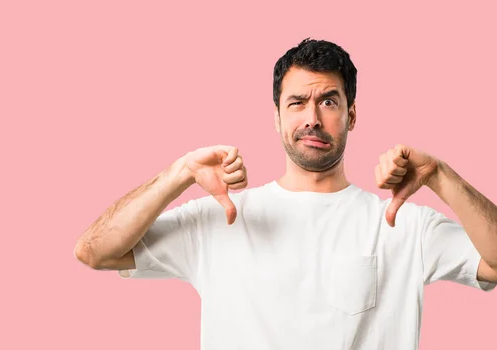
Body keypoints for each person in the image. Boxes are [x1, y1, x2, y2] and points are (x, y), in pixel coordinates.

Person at [74, 38, 497, 349]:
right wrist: (178, 173)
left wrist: (439, 175)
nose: (312, 118)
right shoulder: (219, 218)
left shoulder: (402, 224)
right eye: (297, 103)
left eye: (329, 102)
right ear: (276, 117)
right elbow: (96, 251)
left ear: (352, 115)